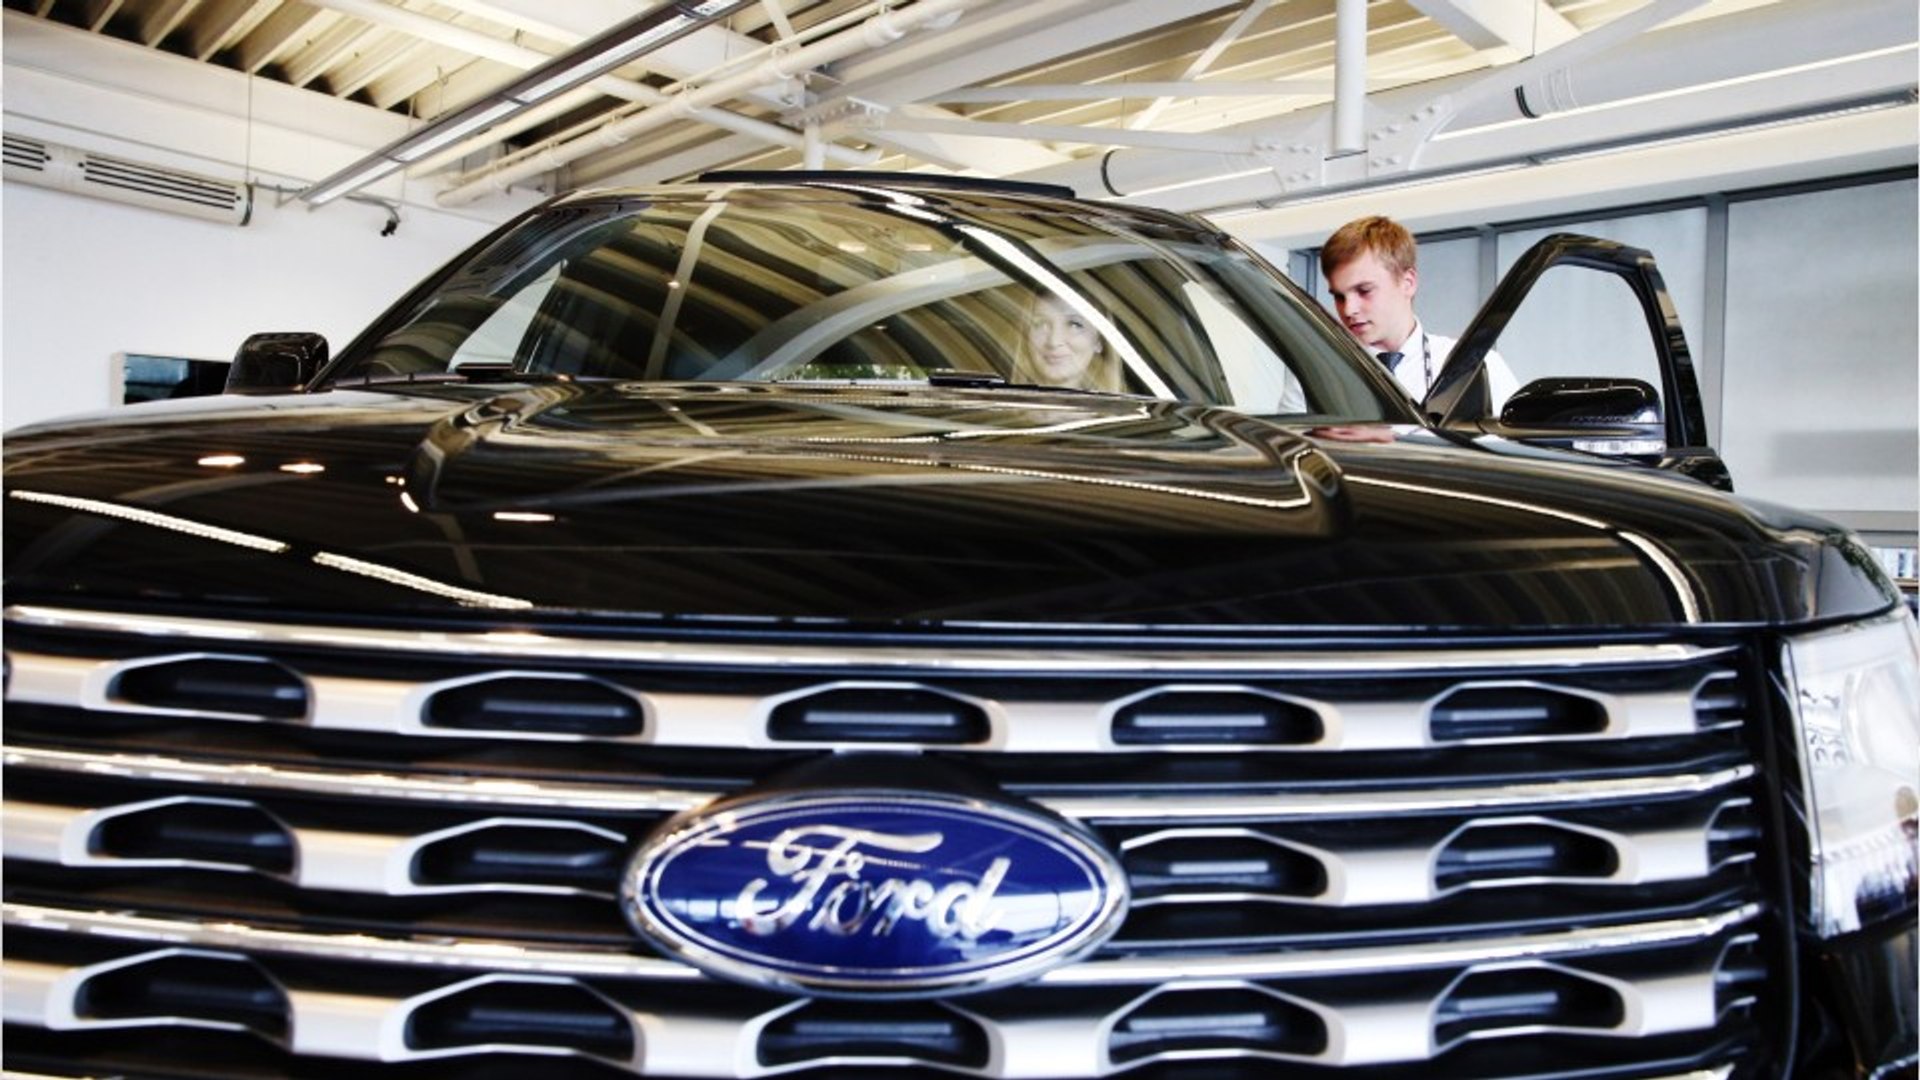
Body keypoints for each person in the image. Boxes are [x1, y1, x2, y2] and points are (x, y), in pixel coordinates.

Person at [1320, 215, 1518, 411]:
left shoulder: (1477, 367)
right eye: (1339, 296)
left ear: (1408, 283)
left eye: (1364, 291)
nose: (1348, 309)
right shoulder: (1321, 375)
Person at [1011, 291, 1127, 392]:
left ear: (1099, 340)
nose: (1054, 341)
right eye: (1042, 324)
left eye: (1074, 325)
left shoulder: (1124, 410)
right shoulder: (1003, 408)